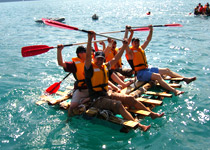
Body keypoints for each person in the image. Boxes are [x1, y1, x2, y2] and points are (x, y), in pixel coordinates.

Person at [85, 28, 164, 132]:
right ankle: (140, 126)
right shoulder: (89, 68)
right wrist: (89, 39)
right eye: (98, 58)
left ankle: (152, 114)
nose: (100, 61)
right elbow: (87, 57)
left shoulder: (105, 66)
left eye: (101, 59)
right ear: (94, 59)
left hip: (106, 94)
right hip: (96, 100)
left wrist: (124, 45)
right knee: (117, 104)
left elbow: (116, 58)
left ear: (104, 60)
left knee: (129, 99)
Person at [125, 25, 196, 96]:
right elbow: (125, 43)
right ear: (132, 43)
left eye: (138, 42)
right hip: (140, 74)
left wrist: (151, 30)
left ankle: (185, 79)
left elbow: (148, 40)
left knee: (166, 70)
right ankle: (175, 91)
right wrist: (127, 32)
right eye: (135, 42)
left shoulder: (141, 48)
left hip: (146, 70)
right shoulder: (130, 52)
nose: (137, 44)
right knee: (158, 76)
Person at [57, 44, 90, 117]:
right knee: (72, 107)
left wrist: (109, 44)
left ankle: (86, 100)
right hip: (82, 90)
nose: (88, 53)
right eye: (85, 51)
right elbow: (60, 63)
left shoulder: (91, 61)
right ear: (80, 54)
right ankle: (68, 120)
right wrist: (59, 51)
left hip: (92, 89)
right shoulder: (74, 65)